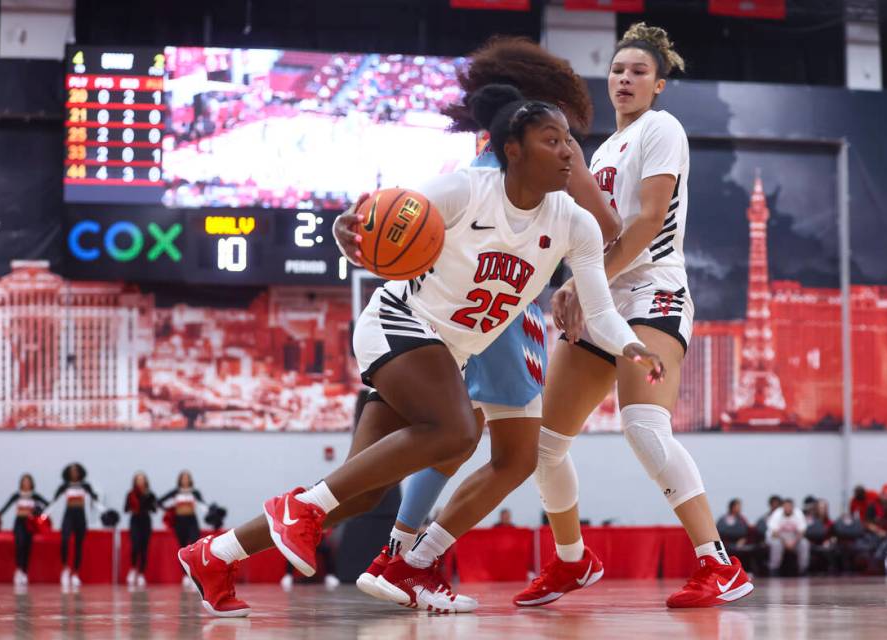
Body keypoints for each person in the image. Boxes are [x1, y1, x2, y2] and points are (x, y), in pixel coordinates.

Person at [177, 84, 663, 617]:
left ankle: (214, 554)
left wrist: (632, 344)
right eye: (553, 140)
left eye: (570, 140)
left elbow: (599, 310)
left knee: (362, 492)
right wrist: (350, 225)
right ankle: (298, 510)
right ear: (513, 150)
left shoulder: (576, 224)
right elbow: (382, 217)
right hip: (397, 324)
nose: (570, 151)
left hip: (444, 350)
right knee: (458, 431)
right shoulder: (464, 190)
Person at [348, 36, 621, 603]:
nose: (565, 140)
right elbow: (607, 223)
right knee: (519, 451)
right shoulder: (545, 145)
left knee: (453, 439)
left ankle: (400, 556)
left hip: (450, 308)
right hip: (500, 307)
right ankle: (404, 560)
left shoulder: (494, 141)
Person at [516, 22, 753, 609]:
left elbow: (648, 222)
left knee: (644, 427)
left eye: (638, 71)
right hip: (606, 296)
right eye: (618, 70)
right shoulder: (600, 150)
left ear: (659, 85)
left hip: (653, 292)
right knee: (544, 444)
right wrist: (573, 280)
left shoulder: (662, 128)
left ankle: (719, 565)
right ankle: (572, 562)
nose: (625, 79)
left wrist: (586, 283)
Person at [51, 463, 101, 590]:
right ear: (68, 473)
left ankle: (75, 573)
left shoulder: (85, 486)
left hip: (80, 516)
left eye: (76, 471)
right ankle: (65, 568)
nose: (74, 473)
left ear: (80, 472)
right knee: (65, 540)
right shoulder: (64, 486)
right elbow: (54, 501)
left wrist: (96, 499)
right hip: (68, 516)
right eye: (72, 471)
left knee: (79, 544)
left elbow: (94, 499)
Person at [0, 473, 49, 587]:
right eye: (24, 481)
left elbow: (47, 506)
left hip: (30, 524)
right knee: (19, 544)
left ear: (31, 483)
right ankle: (19, 570)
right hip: (19, 523)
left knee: (27, 546)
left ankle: (25, 572)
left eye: (28, 481)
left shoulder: (35, 496)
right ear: (21, 483)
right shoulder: (17, 495)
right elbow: (5, 508)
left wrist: (37, 511)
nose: (26, 483)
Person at [159, 471, 207, 588]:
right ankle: (185, 575)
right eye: (183, 478)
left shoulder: (194, 492)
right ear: (180, 480)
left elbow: (203, 505)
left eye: (187, 478)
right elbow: (159, 501)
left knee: (194, 547)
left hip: (192, 521)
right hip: (180, 522)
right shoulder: (175, 492)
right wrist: (169, 509)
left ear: (190, 480)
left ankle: (194, 575)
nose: (185, 480)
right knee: (183, 549)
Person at [124, 472, 157, 587]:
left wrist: (150, 501)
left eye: (142, 479)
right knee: (135, 545)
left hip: (146, 521)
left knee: (144, 547)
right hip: (135, 520)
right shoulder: (130, 494)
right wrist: (133, 506)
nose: (140, 481)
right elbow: (126, 508)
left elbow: (154, 509)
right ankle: (133, 569)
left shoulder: (150, 493)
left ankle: (141, 573)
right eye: (138, 479)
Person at [766, 498, 809, 575]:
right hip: (779, 538)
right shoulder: (777, 513)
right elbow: (774, 532)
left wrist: (794, 542)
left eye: (789, 506)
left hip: (794, 538)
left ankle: (803, 570)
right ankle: (774, 569)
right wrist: (785, 542)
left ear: (793, 507)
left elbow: (802, 531)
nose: (788, 508)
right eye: (786, 506)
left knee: (804, 543)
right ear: (783, 507)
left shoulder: (798, 513)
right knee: (776, 544)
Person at [716, 499, 752, 571]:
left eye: (740, 506)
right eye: (738, 506)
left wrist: (743, 540)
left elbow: (745, 532)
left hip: (739, 542)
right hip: (726, 543)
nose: (739, 508)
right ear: (732, 507)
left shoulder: (742, 519)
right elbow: (721, 530)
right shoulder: (723, 519)